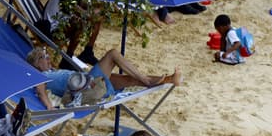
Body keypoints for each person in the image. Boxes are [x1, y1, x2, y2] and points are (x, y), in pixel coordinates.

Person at [26, 47, 182, 109]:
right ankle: (147, 81)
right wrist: (49, 107)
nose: (48, 58)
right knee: (113, 54)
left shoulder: (51, 72)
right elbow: (40, 90)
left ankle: (169, 79)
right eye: (43, 57)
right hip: (87, 89)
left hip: (89, 83)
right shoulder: (41, 75)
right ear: (36, 64)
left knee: (129, 79)